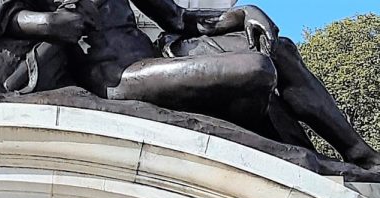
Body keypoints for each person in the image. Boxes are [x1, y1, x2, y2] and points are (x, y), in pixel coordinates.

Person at [71, 0, 380, 170]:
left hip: (154, 60)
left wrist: (244, 13)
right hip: (118, 78)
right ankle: (299, 158)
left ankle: (362, 155)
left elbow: (180, 20)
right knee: (257, 68)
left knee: (277, 48)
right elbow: (25, 29)